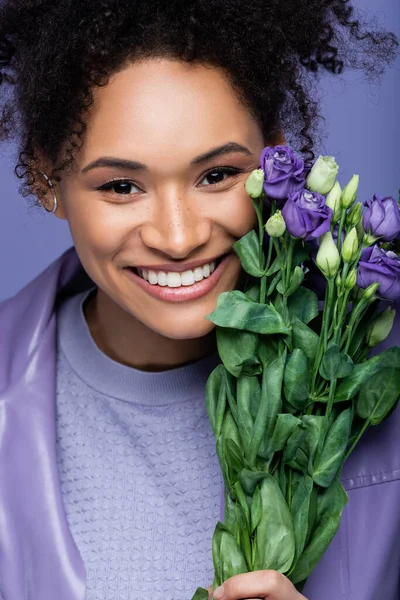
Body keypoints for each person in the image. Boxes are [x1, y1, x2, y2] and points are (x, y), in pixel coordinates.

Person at [0, 1, 398, 599]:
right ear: (45, 179)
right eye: (121, 186)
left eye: (216, 175)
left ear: (276, 158)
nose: (179, 236)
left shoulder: (373, 376)